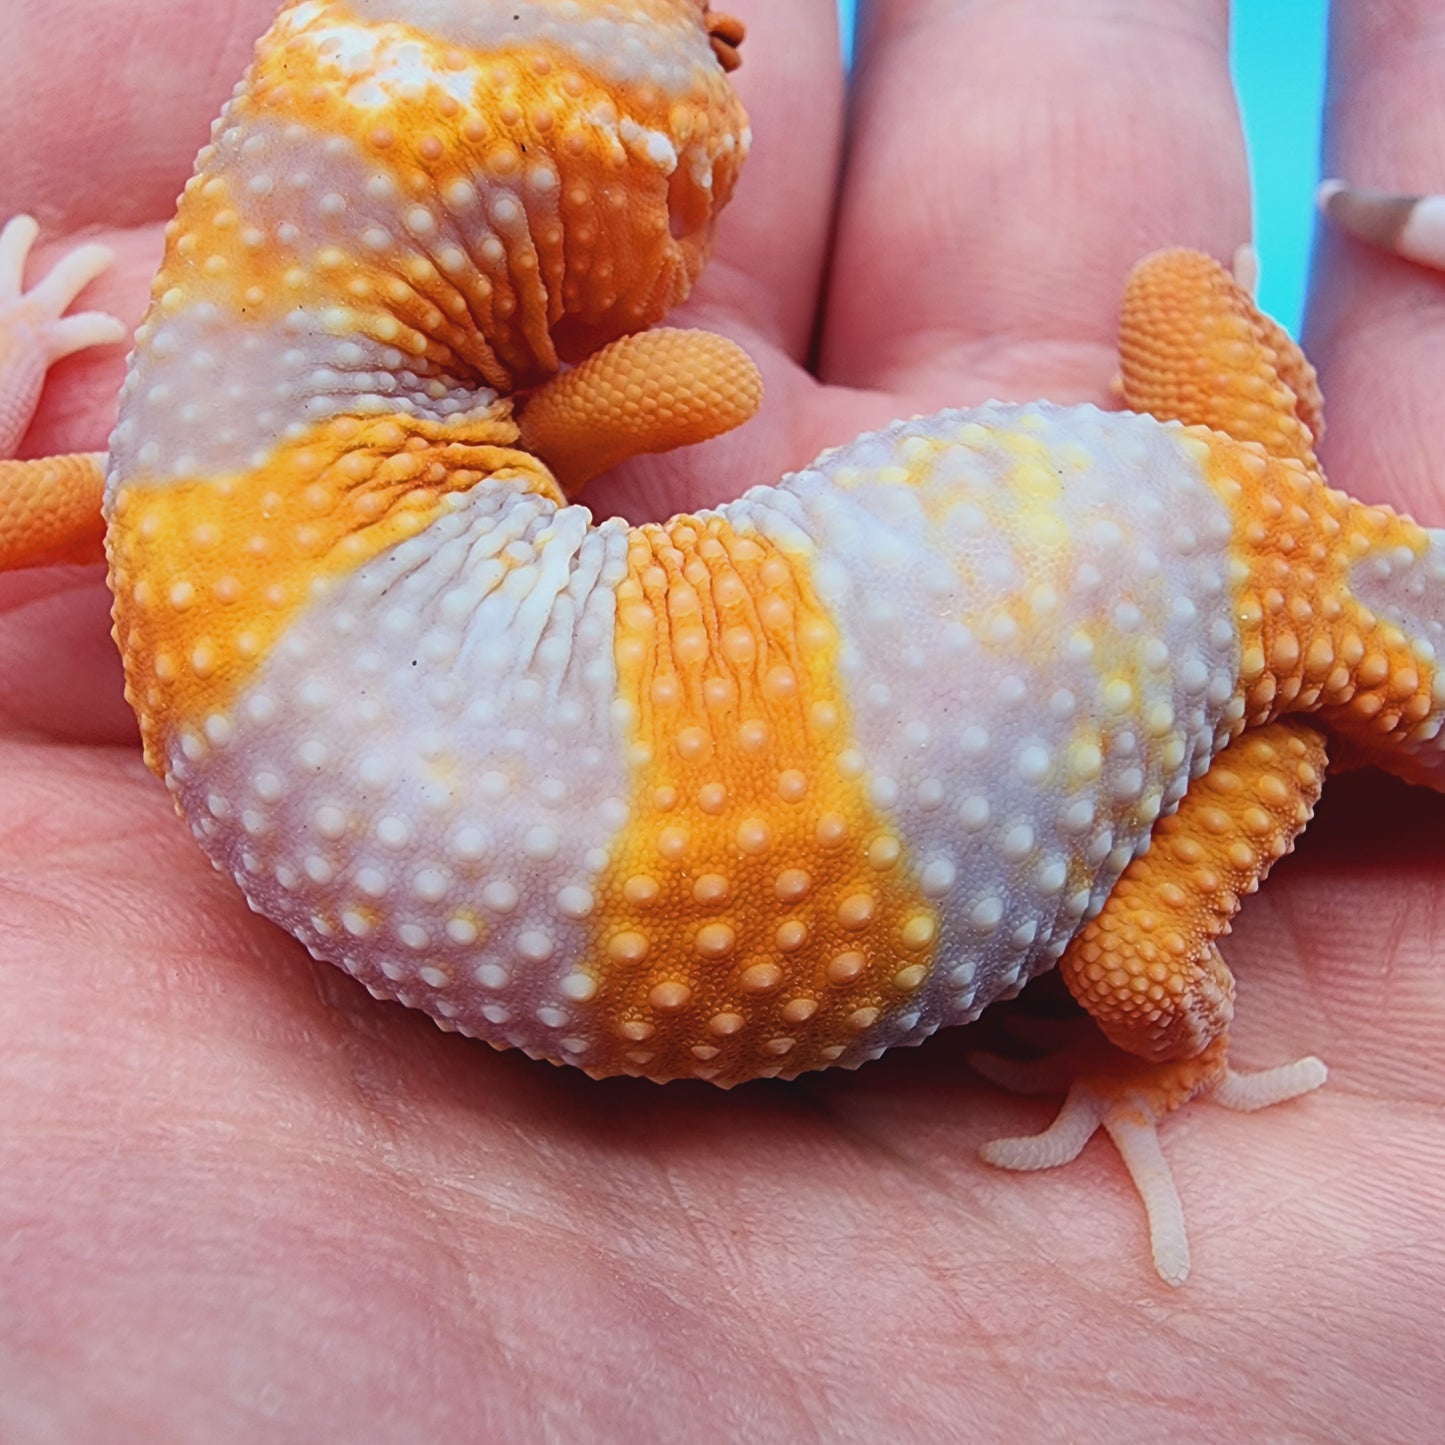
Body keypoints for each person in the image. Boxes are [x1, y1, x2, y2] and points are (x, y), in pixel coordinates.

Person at [1, 0, 1441, 1436]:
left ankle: (1175, 1043)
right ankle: (1176, 1041)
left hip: (1217, 673)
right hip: (1198, 523)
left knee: (1131, 975)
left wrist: (30, 373)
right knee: (1173, 301)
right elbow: (701, 380)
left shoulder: (154, 498)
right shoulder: (182, 503)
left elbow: (686, 385)